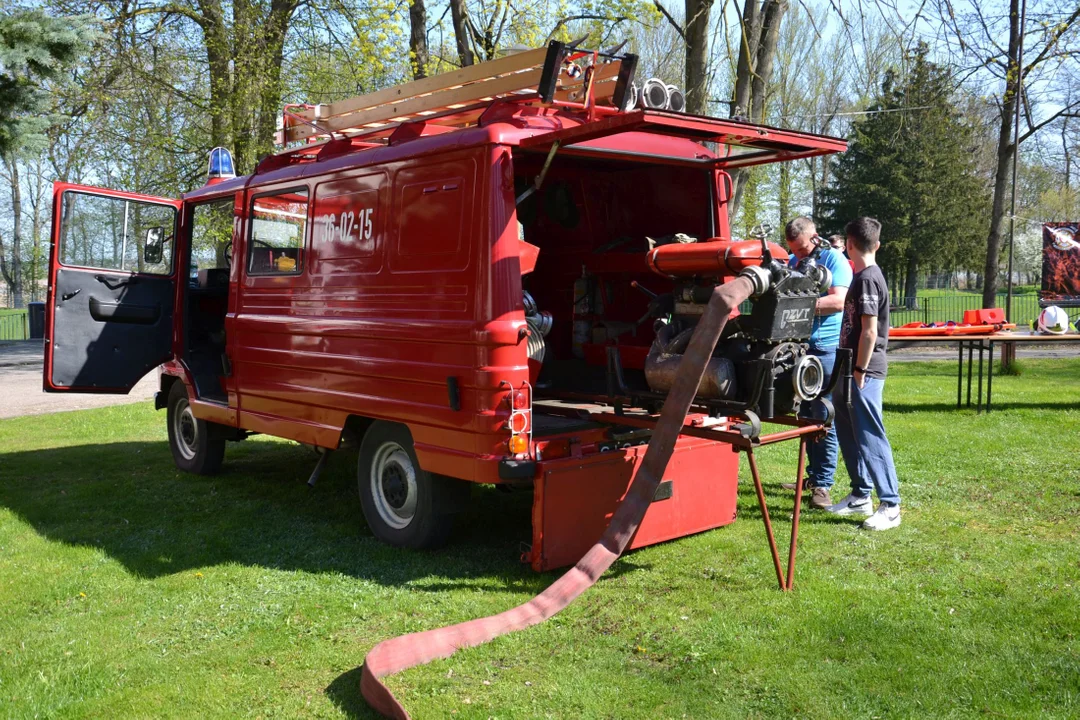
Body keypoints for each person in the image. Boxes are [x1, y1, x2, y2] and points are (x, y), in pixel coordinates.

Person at [826, 216, 901, 530]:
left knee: (870, 433)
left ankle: (891, 505)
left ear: (849, 245)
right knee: (847, 427)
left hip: (864, 370)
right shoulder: (861, 275)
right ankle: (860, 495)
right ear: (878, 244)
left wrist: (859, 369)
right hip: (849, 369)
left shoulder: (869, 278)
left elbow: (870, 332)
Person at [779, 216, 851, 509]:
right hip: (798, 347)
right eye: (792, 250)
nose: (797, 256)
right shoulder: (796, 262)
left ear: (815, 237)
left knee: (822, 416)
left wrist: (797, 305)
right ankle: (812, 476)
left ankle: (822, 486)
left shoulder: (834, 259)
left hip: (823, 348)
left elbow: (838, 301)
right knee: (806, 415)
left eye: (801, 249)